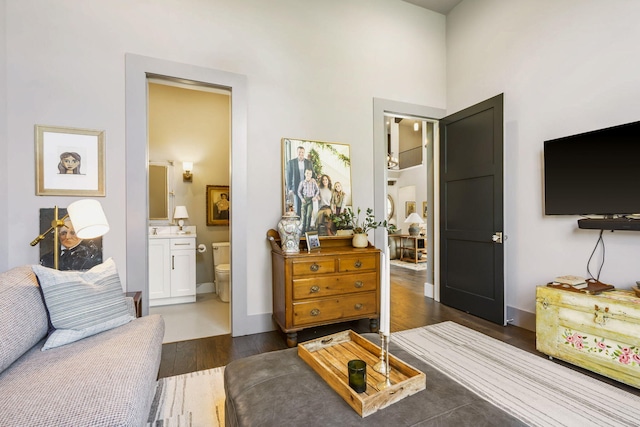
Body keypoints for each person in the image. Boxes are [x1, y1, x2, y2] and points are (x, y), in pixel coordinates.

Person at [286, 146, 314, 217]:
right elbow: (288, 176)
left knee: (306, 206)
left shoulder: (308, 162)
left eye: (302, 152)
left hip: (306, 187)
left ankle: (304, 223)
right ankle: (298, 220)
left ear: (304, 153)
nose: (301, 154)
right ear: (297, 152)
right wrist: (289, 188)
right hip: (296, 187)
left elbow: (312, 173)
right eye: (299, 152)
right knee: (297, 205)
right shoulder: (291, 162)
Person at [297, 168, 319, 233]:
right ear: (305, 174)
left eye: (310, 173)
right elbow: (299, 191)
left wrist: (315, 197)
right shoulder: (302, 182)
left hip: (311, 200)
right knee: (303, 215)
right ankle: (303, 230)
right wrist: (302, 198)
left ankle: (307, 229)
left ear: (311, 174)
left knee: (308, 215)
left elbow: (317, 190)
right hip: (304, 200)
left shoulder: (313, 182)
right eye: (307, 173)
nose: (308, 175)